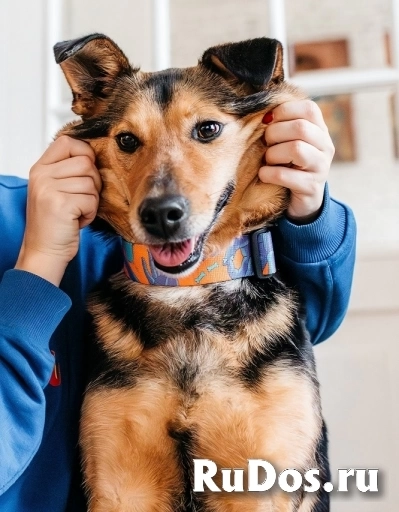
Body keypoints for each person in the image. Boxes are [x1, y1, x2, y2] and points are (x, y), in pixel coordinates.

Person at [0, 100, 356, 511]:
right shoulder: (52, 217)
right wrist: (41, 256)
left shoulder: (75, 209)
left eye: (206, 131)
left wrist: (308, 213)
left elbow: (312, 318)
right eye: (129, 141)